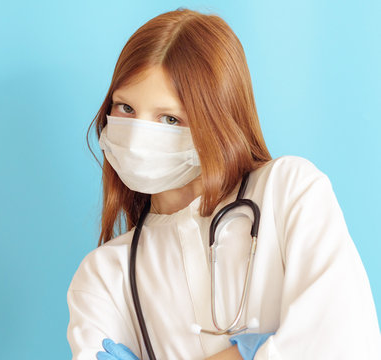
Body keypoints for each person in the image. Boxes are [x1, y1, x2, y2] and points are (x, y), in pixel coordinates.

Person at [66, 7, 381, 360]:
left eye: (169, 118)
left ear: (217, 120)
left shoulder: (289, 191)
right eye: (125, 108)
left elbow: (346, 342)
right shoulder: (104, 276)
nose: (139, 137)